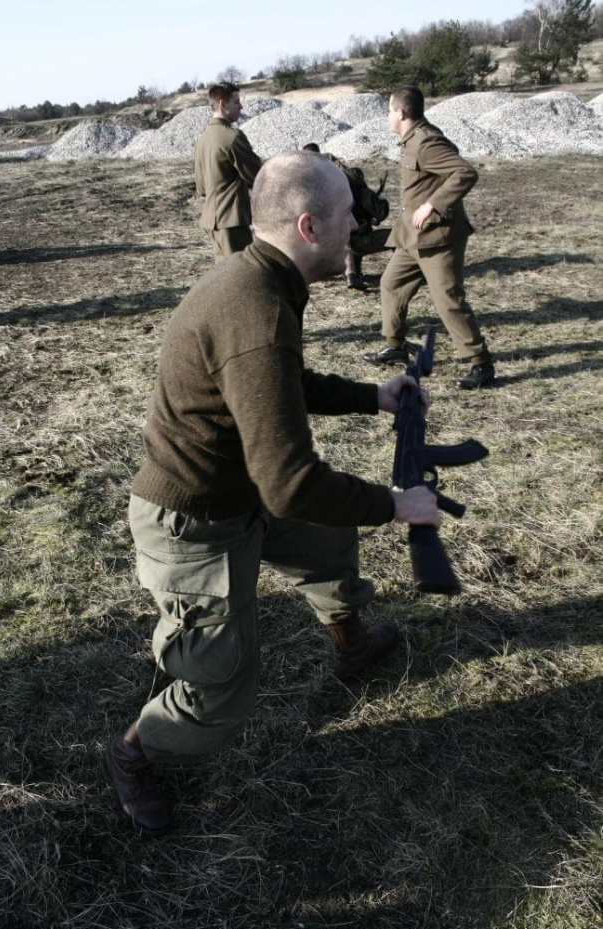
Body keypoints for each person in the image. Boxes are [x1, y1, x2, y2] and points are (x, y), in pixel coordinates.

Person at [103, 152, 440, 836]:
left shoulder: (265, 279)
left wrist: (369, 396)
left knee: (325, 539)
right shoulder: (254, 308)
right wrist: (397, 504)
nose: (360, 226)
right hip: (193, 520)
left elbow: (282, 382)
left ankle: (349, 642)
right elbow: (291, 482)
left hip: (241, 488)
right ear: (311, 225)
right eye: (349, 214)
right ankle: (131, 753)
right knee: (221, 686)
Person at [363, 85, 495, 390]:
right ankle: (395, 345)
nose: (387, 117)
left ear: (401, 112)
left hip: (438, 237)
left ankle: (481, 363)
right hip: (413, 235)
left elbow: (464, 172)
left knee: (448, 299)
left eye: (389, 111)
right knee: (391, 283)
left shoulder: (425, 141)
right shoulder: (412, 138)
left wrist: (431, 204)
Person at [302, 142, 390, 291]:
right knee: (396, 236)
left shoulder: (329, 183)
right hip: (358, 239)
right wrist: (382, 198)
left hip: (335, 238)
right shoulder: (362, 192)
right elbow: (380, 214)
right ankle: (394, 274)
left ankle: (352, 274)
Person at [194, 83, 262, 258]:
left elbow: (201, 188)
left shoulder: (203, 140)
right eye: (237, 101)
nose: (241, 106)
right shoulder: (232, 137)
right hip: (231, 221)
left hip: (212, 221)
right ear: (223, 104)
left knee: (224, 274)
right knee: (242, 275)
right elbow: (258, 176)